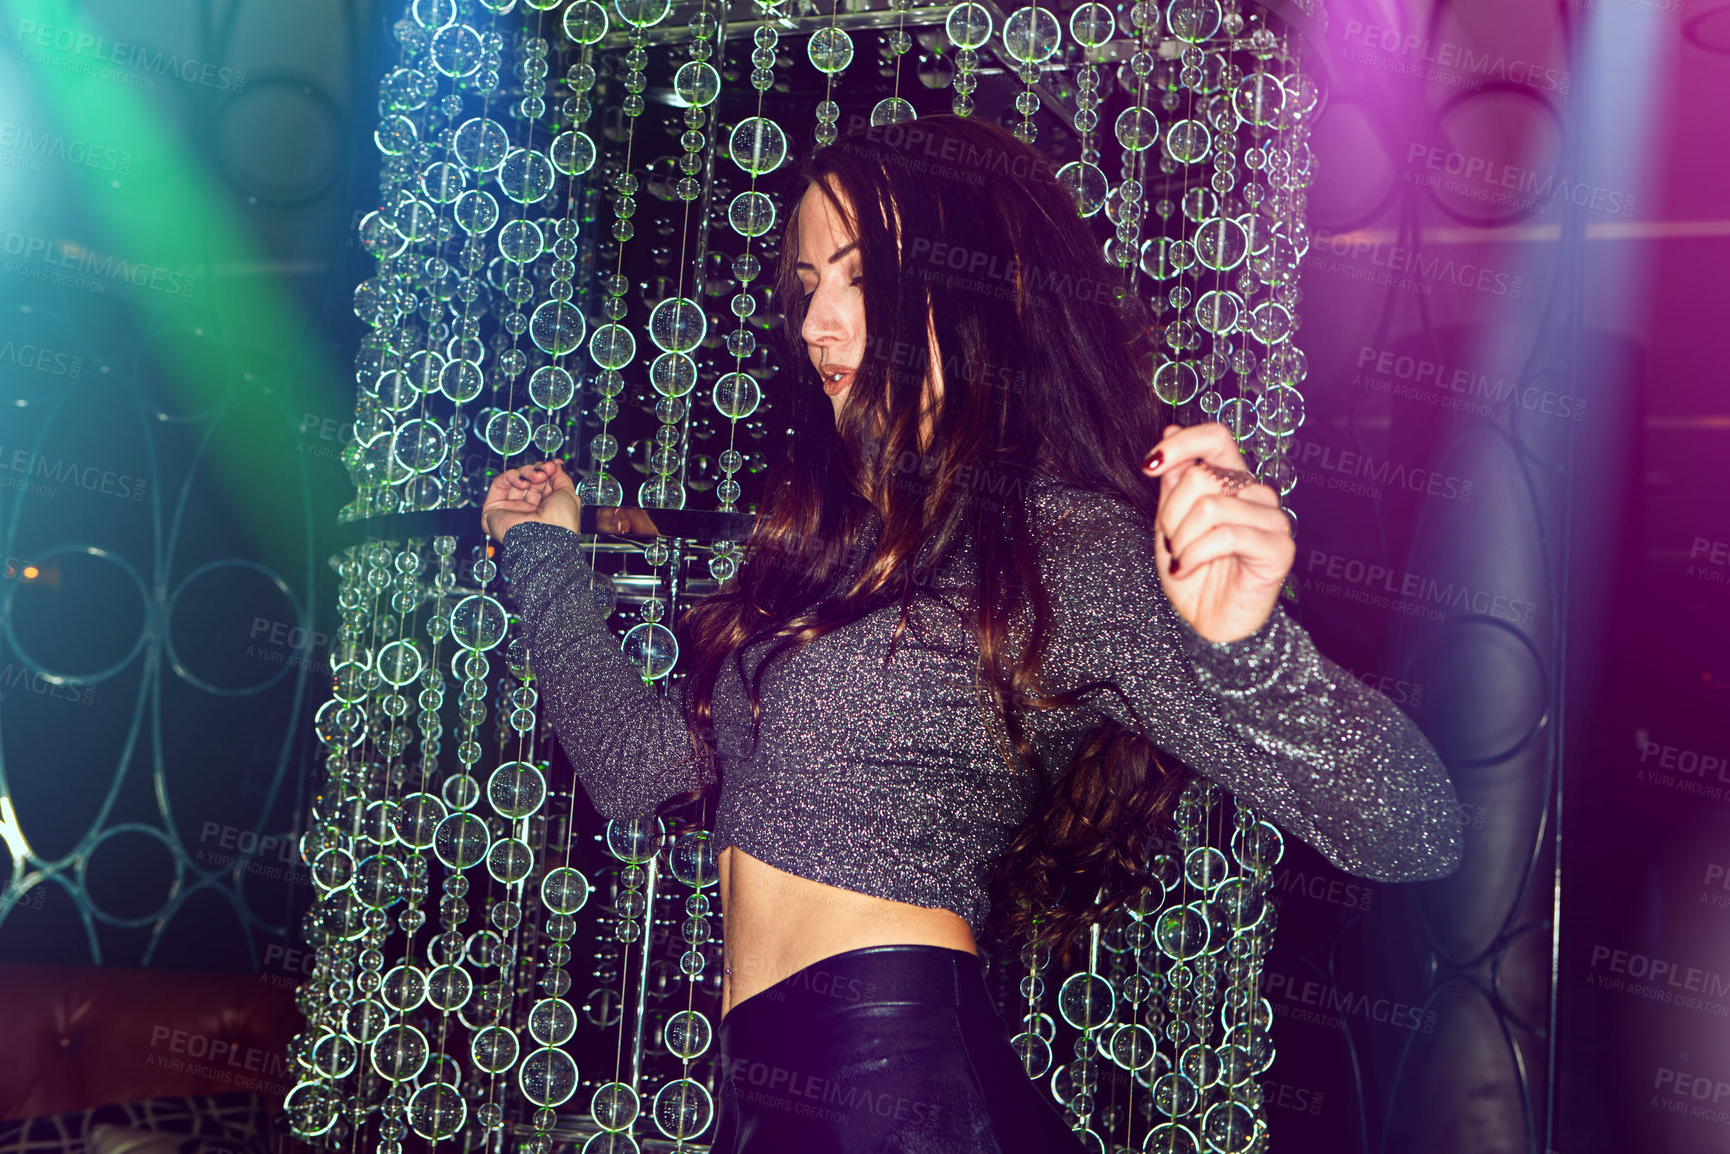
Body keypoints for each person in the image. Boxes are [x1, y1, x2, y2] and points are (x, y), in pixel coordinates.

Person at [482, 114, 1463, 1154]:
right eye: (806, 284)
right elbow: (639, 768)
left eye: (856, 277)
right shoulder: (834, 549)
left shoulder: (1062, 546)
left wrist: (1250, 652)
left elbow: (1412, 823)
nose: (816, 322)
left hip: (894, 1081)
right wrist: (540, 554)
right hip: (766, 1087)